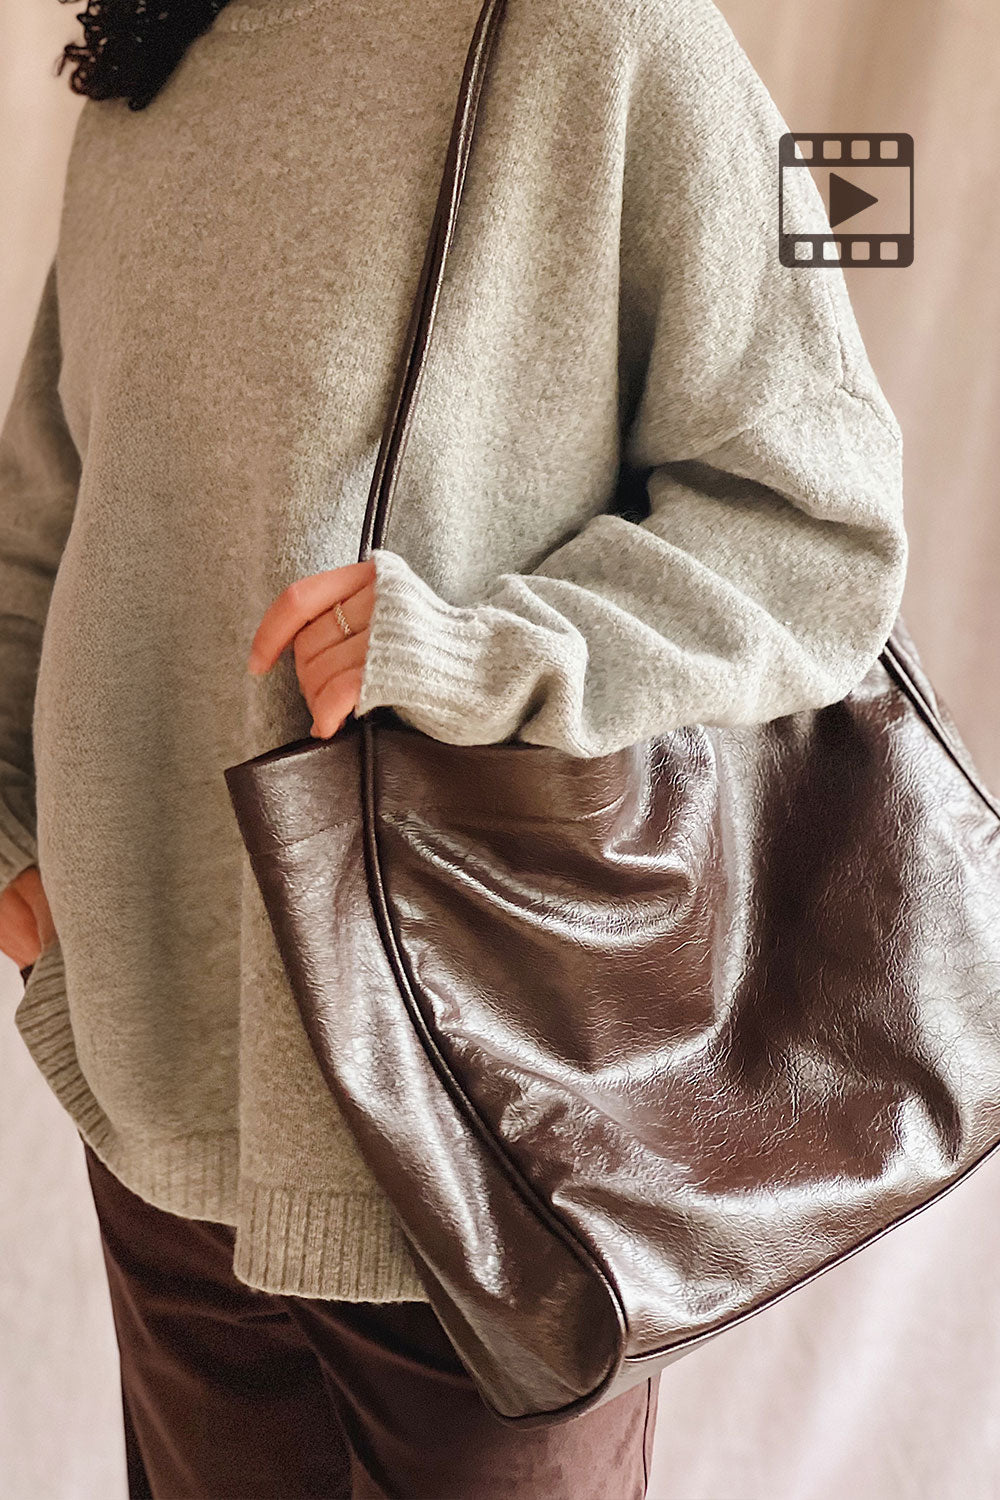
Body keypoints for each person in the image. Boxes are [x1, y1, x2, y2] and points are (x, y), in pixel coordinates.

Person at [0, 0, 908, 1493]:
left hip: (483, 1142)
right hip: (157, 1120)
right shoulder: (151, 75)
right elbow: (51, 514)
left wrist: (498, 652)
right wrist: (21, 844)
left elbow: (814, 524)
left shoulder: (607, 38)